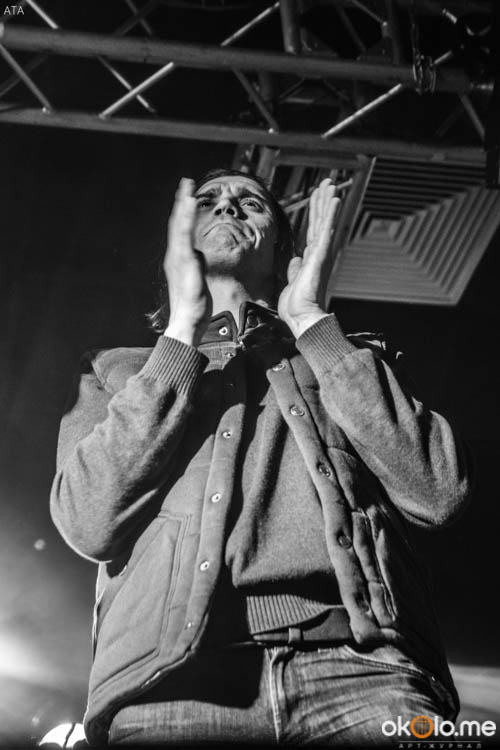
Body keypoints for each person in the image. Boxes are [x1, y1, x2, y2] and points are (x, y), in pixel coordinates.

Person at [50, 169, 472, 747]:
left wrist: (312, 323)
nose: (229, 207)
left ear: (280, 247)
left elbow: (438, 490)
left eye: (251, 203)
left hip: (366, 674)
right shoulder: (115, 370)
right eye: (209, 201)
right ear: (178, 239)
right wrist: (182, 333)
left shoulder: (344, 357)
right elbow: (89, 521)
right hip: (172, 687)